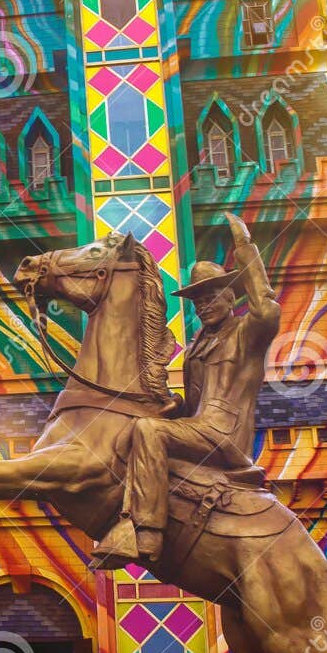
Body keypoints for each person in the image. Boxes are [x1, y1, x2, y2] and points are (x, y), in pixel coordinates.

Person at [94, 211, 279, 566]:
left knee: (149, 431)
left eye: (212, 296)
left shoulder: (247, 334)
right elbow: (194, 406)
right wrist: (171, 407)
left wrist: (245, 247)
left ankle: (145, 531)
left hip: (224, 434)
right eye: (198, 300)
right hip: (199, 428)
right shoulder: (195, 346)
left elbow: (267, 309)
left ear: (232, 297)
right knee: (133, 428)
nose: (205, 305)